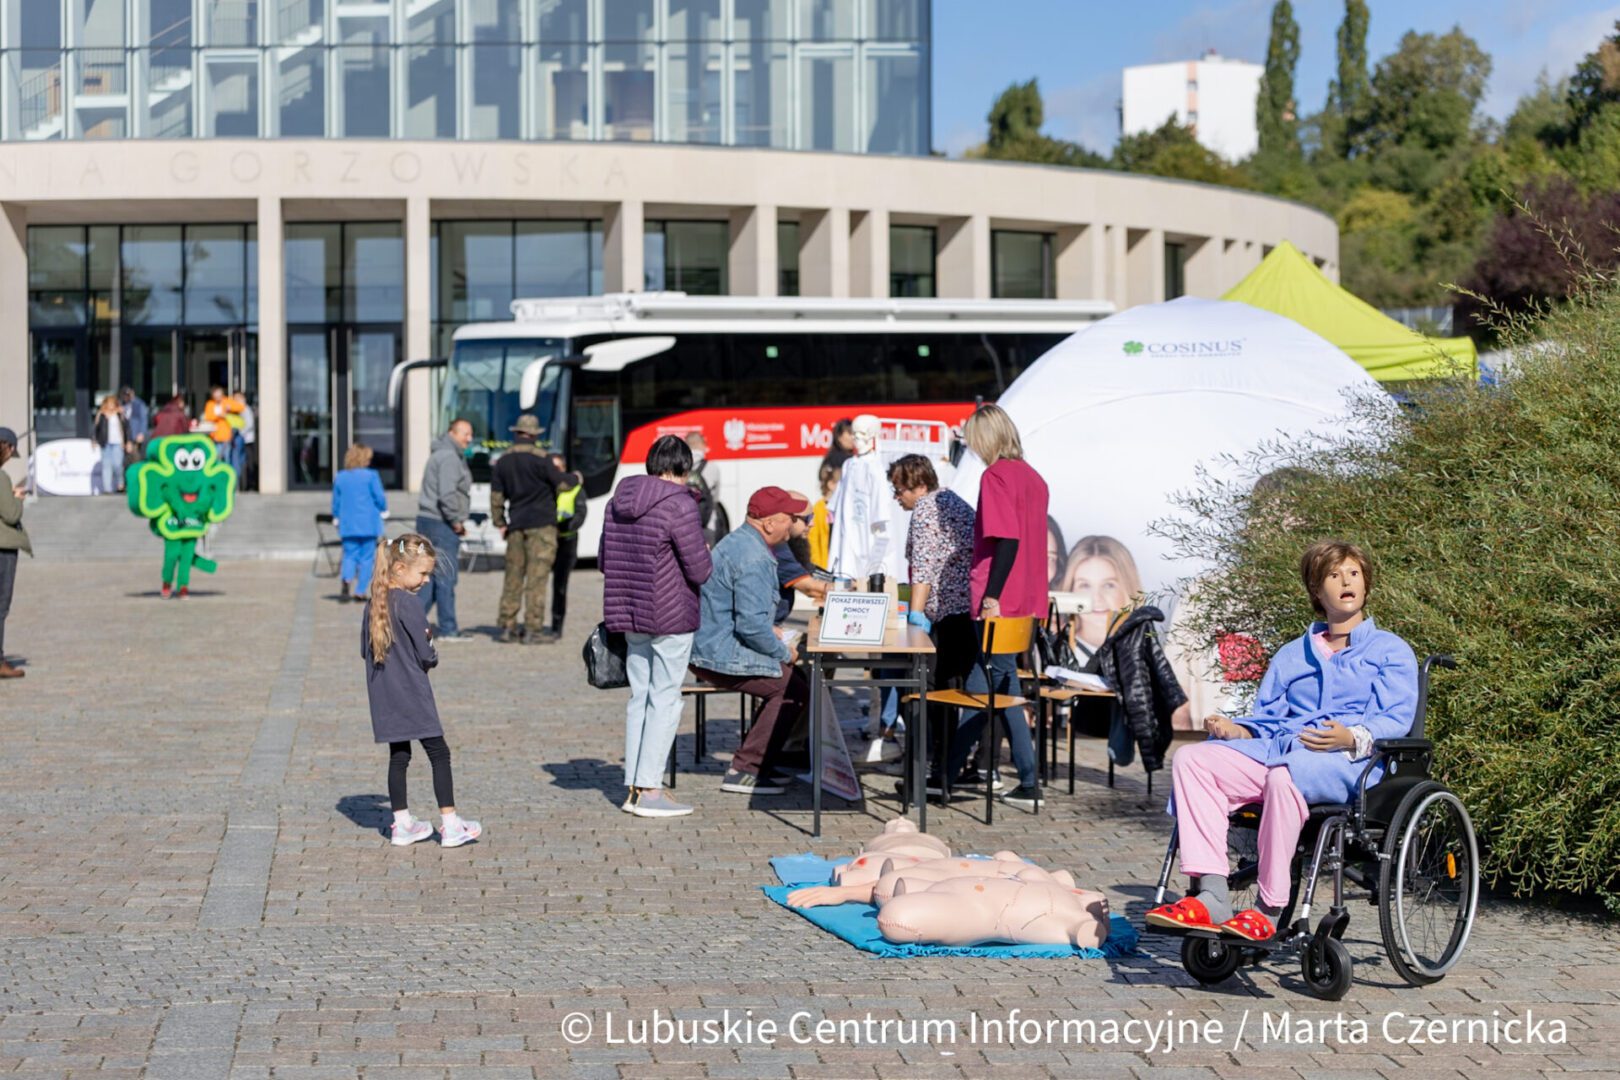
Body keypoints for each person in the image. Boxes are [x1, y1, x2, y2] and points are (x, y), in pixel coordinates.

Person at [1146, 540, 1418, 942]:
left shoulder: (1390, 651)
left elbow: (1395, 718)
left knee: (1284, 775)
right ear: (1316, 590)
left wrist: (1351, 736)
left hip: (1351, 765)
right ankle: (1212, 895)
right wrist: (1240, 730)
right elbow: (1270, 718)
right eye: (1334, 574)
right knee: (1192, 759)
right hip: (1282, 753)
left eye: (1354, 573)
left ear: (1365, 583)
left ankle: (1269, 907)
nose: (1347, 581)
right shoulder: (1294, 655)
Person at [601, 434, 714, 818]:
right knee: (665, 698)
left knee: (640, 696)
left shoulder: (618, 500)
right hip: (671, 613)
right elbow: (700, 569)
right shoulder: (679, 504)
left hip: (630, 611)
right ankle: (649, 789)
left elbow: (604, 559)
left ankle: (634, 784)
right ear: (684, 468)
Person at [948, 404, 1049, 809]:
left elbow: (1006, 541)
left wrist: (991, 596)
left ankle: (950, 775)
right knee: (994, 684)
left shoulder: (996, 477)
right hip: (1026, 601)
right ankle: (950, 774)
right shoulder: (1033, 478)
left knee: (994, 687)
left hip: (999, 600)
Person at [362, 533, 483, 848]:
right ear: (400, 568)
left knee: (399, 755)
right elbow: (426, 654)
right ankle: (451, 823)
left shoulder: (374, 602)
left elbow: (365, 651)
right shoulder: (408, 603)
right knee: (439, 753)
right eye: (423, 573)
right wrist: (432, 650)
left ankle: (402, 824)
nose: (426, 580)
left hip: (383, 695)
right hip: (412, 691)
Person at [690, 487, 813, 796]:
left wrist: (770, 634)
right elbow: (752, 628)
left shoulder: (739, 541)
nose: (791, 526)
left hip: (710, 645)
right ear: (770, 522)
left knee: (792, 683)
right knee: (792, 689)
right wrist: (783, 651)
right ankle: (746, 770)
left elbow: (745, 616)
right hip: (717, 653)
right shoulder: (755, 556)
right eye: (789, 519)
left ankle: (760, 761)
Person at [888, 453, 976, 795]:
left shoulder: (927, 509)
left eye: (899, 490)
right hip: (964, 612)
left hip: (947, 614)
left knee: (931, 695)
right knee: (949, 693)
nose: (898, 498)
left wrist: (915, 617)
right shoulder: (951, 499)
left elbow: (923, 568)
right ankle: (947, 768)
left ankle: (930, 773)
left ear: (917, 484)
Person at [490, 415, 580, 645]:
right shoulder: (542, 459)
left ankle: (507, 627)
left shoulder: (503, 461)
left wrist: (500, 523)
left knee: (513, 577)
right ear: (535, 435)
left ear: (517, 433)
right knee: (537, 579)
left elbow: (497, 498)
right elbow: (561, 483)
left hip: (516, 526)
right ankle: (533, 628)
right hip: (542, 526)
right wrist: (575, 478)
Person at [415, 419, 475, 642]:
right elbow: (447, 494)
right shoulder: (449, 457)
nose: (469, 438)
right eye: (465, 434)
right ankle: (448, 628)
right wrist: (457, 521)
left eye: (470, 434)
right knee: (445, 576)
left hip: (429, 520)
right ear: (452, 433)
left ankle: (410, 623)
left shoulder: (442, 453)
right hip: (441, 522)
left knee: (428, 578)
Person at [332, 443, 388, 602]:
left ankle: (347, 579)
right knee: (367, 558)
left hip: (348, 523)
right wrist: (384, 509)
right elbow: (379, 497)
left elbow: (336, 501)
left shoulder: (341, 476)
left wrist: (336, 515)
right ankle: (360, 590)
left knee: (349, 555)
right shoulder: (371, 476)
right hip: (368, 523)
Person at [772, 492, 828, 624]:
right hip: (764, 629)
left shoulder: (790, 544)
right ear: (790, 518)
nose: (812, 523)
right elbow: (810, 588)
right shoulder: (777, 547)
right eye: (808, 518)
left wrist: (842, 580)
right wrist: (848, 587)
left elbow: (810, 571)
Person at [0, 428, 29, 680]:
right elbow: (10, 515)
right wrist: (17, 498)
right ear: (6, 447)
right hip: (2, 548)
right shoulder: (1, 477)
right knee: (1, 605)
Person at [549, 452, 585, 637]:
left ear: (564, 468)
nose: (556, 472)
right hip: (548, 540)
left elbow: (580, 514)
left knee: (560, 586)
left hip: (566, 541)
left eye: (558, 468)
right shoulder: (545, 486)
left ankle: (557, 625)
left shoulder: (575, 488)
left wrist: (563, 526)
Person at [684, 431, 719, 545]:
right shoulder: (713, 467)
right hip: (707, 525)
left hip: (685, 527)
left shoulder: (681, 467)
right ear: (702, 445)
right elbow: (715, 499)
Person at [91, 395, 127, 495]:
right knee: (106, 466)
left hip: (118, 443)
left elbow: (126, 428)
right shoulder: (101, 414)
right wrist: (94, 440)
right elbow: (95, 428)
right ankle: (107, 489)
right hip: (105, 443)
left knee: (118, 464)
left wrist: (127, 441)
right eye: (109, 403)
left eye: (113, 403)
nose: (111, 405)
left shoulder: (120, 414)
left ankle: (120, 483)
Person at [808, 461, 837, 572]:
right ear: (831, 485)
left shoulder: (841, 508)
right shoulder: (818, 509)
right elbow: (813, 542)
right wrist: (817, 567)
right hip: (823, 566)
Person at [202, 385, 241, 464]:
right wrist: (219, 415)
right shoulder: (210, 404)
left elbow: (240, 407)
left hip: (226, 436)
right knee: (217, 458)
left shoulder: (226, 401)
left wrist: (230, 408)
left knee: (227, 458)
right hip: (214, 436)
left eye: (219, 395)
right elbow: (208, 417)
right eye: (216, 396)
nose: (218, 398)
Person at [233, 392, 257, 490]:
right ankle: (244, 485)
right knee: (242, 463)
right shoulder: (238, 411)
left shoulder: (246, 410)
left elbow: (249, 424)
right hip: (242, 439)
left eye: (237, 399)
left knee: (248, 463)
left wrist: (240, 432)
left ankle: (250, 484)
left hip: (247, 440)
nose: (235, 401)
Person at [120, 387, 149, 462]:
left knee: (135, 457)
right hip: (125, 437)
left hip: (135, 436)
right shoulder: (122, 405)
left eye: (128, 394)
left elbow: (143, 419)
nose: (126, 397)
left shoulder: (139, 404)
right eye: (125, 395)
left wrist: (142, 433)